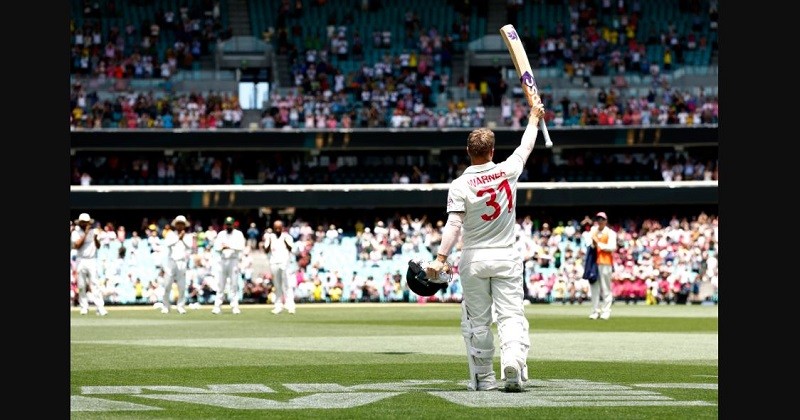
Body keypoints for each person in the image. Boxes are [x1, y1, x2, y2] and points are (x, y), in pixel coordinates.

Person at [422, 94, 545, 392]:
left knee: (477, 321)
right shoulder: (508, 169)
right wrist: (533, 118)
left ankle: (483, 378)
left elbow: (454, 224)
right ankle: (512, 362)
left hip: (474, 258)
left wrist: (441, 258)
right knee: (511, 314)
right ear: (492, 150)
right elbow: (526, 146)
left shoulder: (460, 184)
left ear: (468, 152)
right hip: (506, 254)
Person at [71, 213, 108, 316]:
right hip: (80, 260)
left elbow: (98, 246)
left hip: (92, 260)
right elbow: (77, 245)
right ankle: (84, 307)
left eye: (86, 223)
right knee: (81, 285)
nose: (85, 224)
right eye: (83, 222)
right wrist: (86, 234)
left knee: (95, 284)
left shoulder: (94, 231)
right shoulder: (76, 232)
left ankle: (100, 307)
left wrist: (95, 238)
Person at [212, 216, 245, 314]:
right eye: (227, 224)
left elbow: (240, 247)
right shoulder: (221, 234)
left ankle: (234, 306)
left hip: (233, 261)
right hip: (223, 260)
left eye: (230, 224)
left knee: (234, 285)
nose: (228, 226)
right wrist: (223, 247)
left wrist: (229, 246)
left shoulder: (238, 234)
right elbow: (217, 247)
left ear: (233, 224)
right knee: (220, 285)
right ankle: (217, 306)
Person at [160, 215, 193, 314]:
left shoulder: (188, 236)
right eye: (178, 224)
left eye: (182, 224)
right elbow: (168, 244)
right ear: (176, 225)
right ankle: (166, 306)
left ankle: (181, 306)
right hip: (171, 262)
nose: (180, 226)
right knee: (167, 285)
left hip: (182, 263)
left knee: (182, 286)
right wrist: (178, 238)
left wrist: (182, 239)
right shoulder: (170, 234)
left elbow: (190, 246)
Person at [588, 211, 617, 320]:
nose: (600, 221)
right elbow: (589, 244)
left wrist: (598, 244)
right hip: (593, 263)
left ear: (606, 221)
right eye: (598, 219)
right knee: (594, 287)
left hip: (605, 262)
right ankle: (595, 311)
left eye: (602, 219)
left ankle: (606, 311)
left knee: (606, 288)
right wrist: (594, 242)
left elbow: (612, 247)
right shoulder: (593, 231)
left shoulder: (611, 233)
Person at [264, 219, 296, 314]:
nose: (277, 229)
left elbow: (291, 249)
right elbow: (266, 250)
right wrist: (269, 241)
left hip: (284, 262)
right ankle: (278, 306)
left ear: (282, 227)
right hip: (274, 262)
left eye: (279, 227)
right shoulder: (270, 237)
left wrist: (285, 241)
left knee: (286, 284)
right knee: (277, 285)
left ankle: (290, 305)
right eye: (276, 227)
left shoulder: (287, 236)